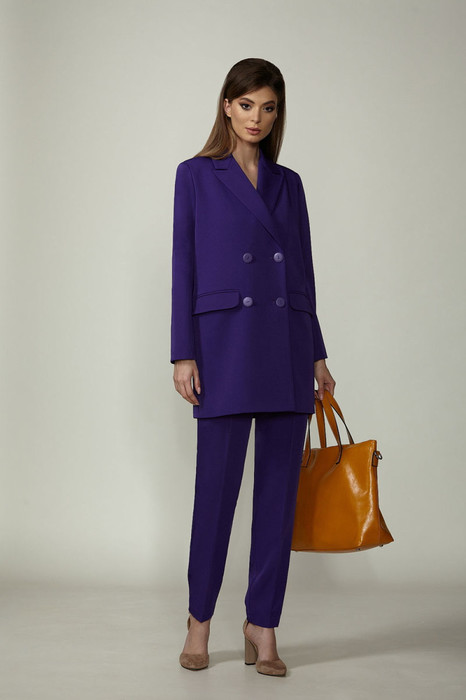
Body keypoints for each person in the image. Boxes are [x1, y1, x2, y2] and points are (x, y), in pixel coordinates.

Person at [170, 58, 335, 677]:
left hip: (286, 345)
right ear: (226, 106)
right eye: (246, 105)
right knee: (214, 495)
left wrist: (317, 353)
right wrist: (183, 352)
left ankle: (262, 624)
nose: (256, 118)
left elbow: (303, 273)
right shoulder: (195, 175)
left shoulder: (289, 184)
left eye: (268, 107)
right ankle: (199, 622)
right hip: (223, 347)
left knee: (277, 498)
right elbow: (184, 265)